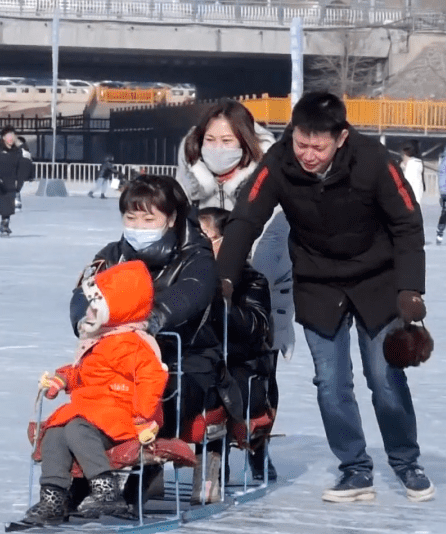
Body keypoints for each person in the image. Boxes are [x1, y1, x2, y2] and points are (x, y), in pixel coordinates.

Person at [216, 91, 435, 504]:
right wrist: (224, 277)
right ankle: (354, 469)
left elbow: (407, 223)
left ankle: (407, 462)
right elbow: (247, 215)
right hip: (319, 282)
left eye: (318, 146)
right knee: (331, 384)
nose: (308, 154)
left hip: (377, 279)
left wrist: (410, 290)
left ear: (341, 137)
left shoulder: (374, 161)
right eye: (301, 143)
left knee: (385, 379)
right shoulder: (280, 161)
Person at [69, 175, 222, 504]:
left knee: (152, 396)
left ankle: (136, 479)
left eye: (149, 218)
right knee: (89, 394)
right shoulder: (112, 255)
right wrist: (86, 319)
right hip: (121, 361)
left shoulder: (196, 257)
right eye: (131, 217)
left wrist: (151, 320)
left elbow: (191, 293)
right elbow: (84, 293)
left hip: (185, 362)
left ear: (170, 219)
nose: (138, 225)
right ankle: (80, 480)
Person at [175, 99, 296, 425]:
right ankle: (212, 446)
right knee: (200, 366)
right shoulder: (189, 177)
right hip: (201, 287)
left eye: (227, 141)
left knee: (258, 370)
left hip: (257, 286)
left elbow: (279, 241)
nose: (217, 148)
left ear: (245, 142)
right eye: (210, 140)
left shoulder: (270, 176)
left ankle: (259, 443)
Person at [21, 260, 169, 525]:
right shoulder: (100, 339)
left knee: (77, 428)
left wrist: (142, 416)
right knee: (54, 432)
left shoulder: (132, 344)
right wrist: (63, 379)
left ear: (117, 310)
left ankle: (105, 489)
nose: (87, 312)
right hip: (94, 411)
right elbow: (86, 373)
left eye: (94, 306)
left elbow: (152, 378)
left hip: (122, 415)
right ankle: (53, 495)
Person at [198, 206, 277, 481]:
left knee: (218, 390)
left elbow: (255, 328)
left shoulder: (253, 281)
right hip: (201, 360)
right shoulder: (190, 277)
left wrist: (222, 303)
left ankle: (238, 455)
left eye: (205, 237)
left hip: (240, 363)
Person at [400, 141, 425, 205]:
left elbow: (407, 181)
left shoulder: (412, 164)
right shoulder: (418, 163)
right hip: (416, 193)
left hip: (410, 196)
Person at [15, 136, 34, 210]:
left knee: (15, 188)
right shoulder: (26, 151)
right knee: (17, 188)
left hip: (18, 172)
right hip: (22, 173)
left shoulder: (20, 151)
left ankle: (16, 203)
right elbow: (31, 165)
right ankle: (17, 203)